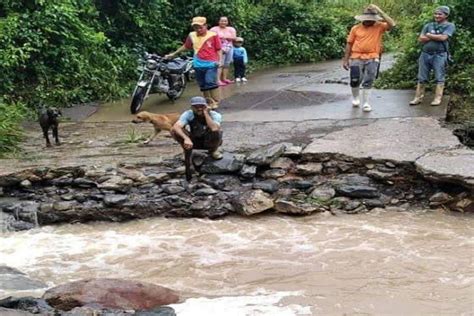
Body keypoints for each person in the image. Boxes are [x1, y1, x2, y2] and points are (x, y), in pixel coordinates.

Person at [342, 4, 395, 112]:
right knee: (355, 79)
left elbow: (392, 24)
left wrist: (379, 10)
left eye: (372, 20)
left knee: (369, 79)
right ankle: (356, 98)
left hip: (372, 56)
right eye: (367, 19)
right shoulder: (355, 28)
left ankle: (366, 103)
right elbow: (349, 43)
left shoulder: (379, 26)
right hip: (356, 56)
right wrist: (346, 59)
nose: (369, 22)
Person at [165, 16, 222, 109]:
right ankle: (208, 102)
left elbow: (219, 49)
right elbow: (186, 46)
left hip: (211, 63)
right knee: (203, 85)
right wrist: (173, 54)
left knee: (210, 82)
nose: (198, 29)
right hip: (198, 64)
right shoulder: (192, 35)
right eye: (196, 27)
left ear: (205, 26)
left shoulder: (213, 35)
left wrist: (219, 61)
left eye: (200, 27)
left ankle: (215, 101)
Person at [409, 6, 455, 106]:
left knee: (439, 76)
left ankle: (437, 98)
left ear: (446, 15)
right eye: (436, 14)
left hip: (440, 55)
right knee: (421, 77)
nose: (437, 16)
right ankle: (418, 97)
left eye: (440, 14)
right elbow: (421, 39)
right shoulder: (428, 25)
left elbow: (443, 37)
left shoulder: (449, 26)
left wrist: (429, 36)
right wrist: (435, 37)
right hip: (425, 54)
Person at [171, 96, 223, 180]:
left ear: (206, 106)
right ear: (192, 107)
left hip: (210, 140)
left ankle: (213, 150)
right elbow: (176, 126)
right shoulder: (189, 114)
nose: (199, 109)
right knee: (174, 131)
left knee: (217, 131)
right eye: (196, 107)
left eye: (201, 106)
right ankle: (187, 149)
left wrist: (206, 113)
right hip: (195, 139)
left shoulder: (215, 115)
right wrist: (186, 139)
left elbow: (214, 128)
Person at [210, 16, 237, 86]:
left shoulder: (231, 29)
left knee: (227, 64)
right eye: (222, 21)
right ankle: (217, 80)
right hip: (219, 48)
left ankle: (224, 78)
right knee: (220, 63)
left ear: (227, 22)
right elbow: (209, 38)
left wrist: (225, 37)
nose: (223, 22)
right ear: (218, 21)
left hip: (229, 47)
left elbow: (234, 37)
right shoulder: (214, 29)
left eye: (225, 21)